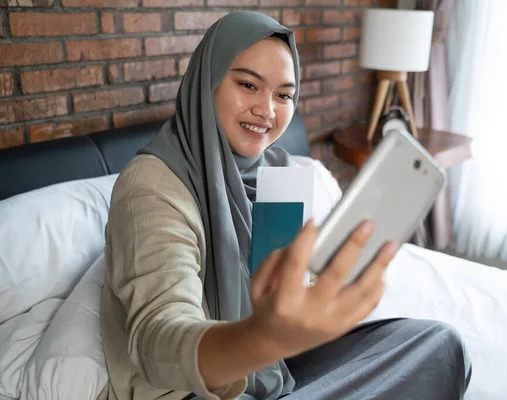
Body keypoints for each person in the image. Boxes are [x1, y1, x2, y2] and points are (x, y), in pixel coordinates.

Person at [98, 10, 471, 400]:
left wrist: (314, 296)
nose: (268, 111)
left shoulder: (278, 170)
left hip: (276, 363)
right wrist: (263, 337)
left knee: (439, 343)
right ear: (206, 82)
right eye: (248, 84)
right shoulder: (153, 185)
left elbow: (280, 286)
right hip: (194, 390)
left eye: (284, 95)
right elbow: (158, 342)